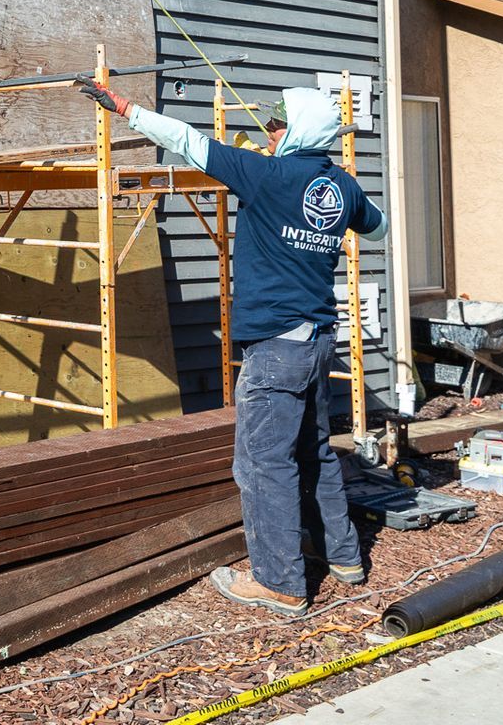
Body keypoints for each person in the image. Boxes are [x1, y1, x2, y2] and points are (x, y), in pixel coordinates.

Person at [78, 81, 388, 616]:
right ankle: (345, 559)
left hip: (275, 350)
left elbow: (188, 141)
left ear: (295, 130)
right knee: (314, 450)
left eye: (276, 125)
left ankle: (281, 584)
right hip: (317, 343)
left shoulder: (265, 176)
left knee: (263, 464)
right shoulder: (342, 187)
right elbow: (378, 229)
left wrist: (127, 109)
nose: (268, 133)